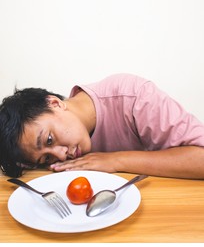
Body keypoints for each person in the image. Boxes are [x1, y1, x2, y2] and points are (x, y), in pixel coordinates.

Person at [1, 73, 204, 179]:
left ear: (54, 103)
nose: (61, 156)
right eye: (47, 157)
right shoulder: (39, 143)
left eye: (49, 140)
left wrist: (117, 160)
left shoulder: (132, 95)